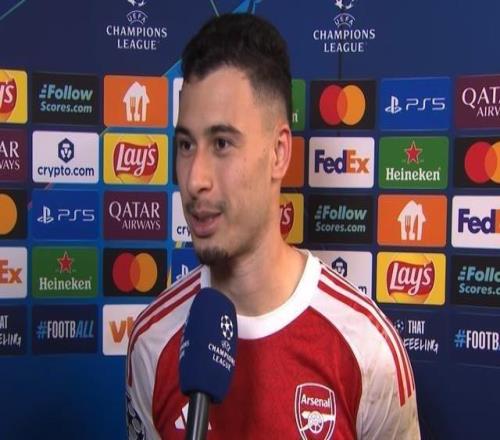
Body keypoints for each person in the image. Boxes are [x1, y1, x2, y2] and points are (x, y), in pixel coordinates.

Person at [126, 12, 420, 439]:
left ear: (279, 153)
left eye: (221, 143)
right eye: (186, 144)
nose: (194, 179)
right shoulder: (152, 342)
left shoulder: (367, 349)